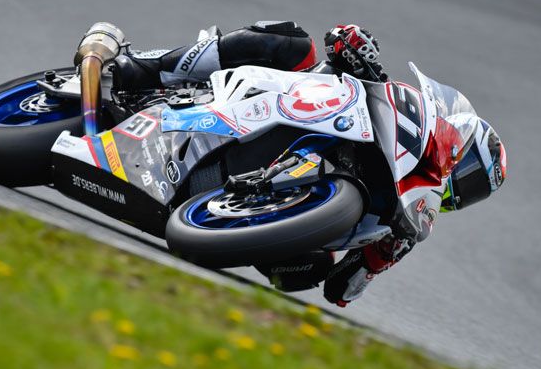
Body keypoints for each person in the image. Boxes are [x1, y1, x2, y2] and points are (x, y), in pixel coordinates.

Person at [111, 21, 507, 307]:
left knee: (307, 269)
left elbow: (340, 291)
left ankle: (236, 215)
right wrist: (354, 49)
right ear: (456, 137)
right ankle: (151, 67)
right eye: (466, 169)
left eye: (469, 191)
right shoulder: (394, 112)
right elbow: (339, 44)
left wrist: (376, 262)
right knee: (293, 41)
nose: (457, 184)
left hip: (244, 220)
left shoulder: (404, 227)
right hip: (269, 107)